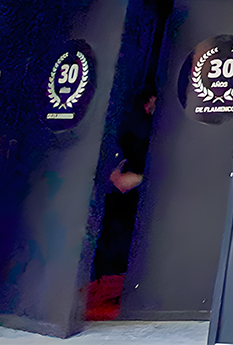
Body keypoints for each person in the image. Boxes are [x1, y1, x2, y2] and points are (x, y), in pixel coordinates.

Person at [87, 88, 155, 320]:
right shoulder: (132, 126)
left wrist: (140, 179)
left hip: (135, 198)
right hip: (123, 202)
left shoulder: (151, 128)